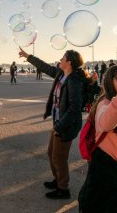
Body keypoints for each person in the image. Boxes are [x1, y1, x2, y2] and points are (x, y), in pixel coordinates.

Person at [19, 47, 88, 199]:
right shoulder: (61, 74)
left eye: (63, 58)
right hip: (58, 121)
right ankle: (58, 180)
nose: (60, 59)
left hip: (66, 125)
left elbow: (75, 108)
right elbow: (44, 67)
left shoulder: (74, 81)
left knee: (59, 157)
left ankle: (63, 189)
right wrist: (28, 56)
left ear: (69, 62)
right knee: (51, 153)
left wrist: (59, 126)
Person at [78, 65, 117, 213]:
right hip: (103, 163)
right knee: (102, 204)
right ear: (109, 81)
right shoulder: (104, 103)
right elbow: (106, 123)